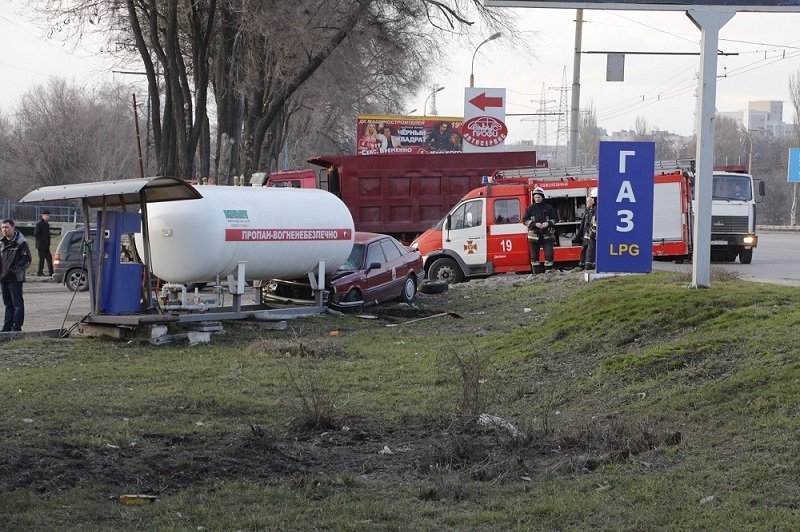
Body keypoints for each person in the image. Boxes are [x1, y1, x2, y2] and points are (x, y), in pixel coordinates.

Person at [0, 218, 32, 332]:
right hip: (3, 278)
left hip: (15, 278)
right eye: (3, 228)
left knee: (17, 304)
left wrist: (15, 269)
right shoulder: (1, 243)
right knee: (7, 304)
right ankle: (7, 327)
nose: (5, 230)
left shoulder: (21, 242)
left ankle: (16, 327)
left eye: (7, 227)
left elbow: (26, 259)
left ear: (13, 228)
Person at [522, 187, 558, 273]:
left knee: (549, 255)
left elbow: (555, 219)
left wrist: (548, 223)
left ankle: (549, 273)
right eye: (535, 197)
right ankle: (536, 274)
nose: (537, 199)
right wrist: (534, 224)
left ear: (542, 197)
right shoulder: (530, 208)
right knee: (534, 257)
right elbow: (524, 220)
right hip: (534, 236)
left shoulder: (549, 208)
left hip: (547, 235)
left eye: (538, 197)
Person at [574, 188, 598, 271]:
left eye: (589, 201)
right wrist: (578, 238)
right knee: (584, 250)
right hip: (587, 236)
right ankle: (582, 265)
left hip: (592, 236)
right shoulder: (588, 211)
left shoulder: (596, 210)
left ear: (594, 200)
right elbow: (582, 226)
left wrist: (593, 234)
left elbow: (595, 224)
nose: (587, 203)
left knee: (590, 252)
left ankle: (588, 266)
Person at [34, 210, 53, 277]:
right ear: (43, 216)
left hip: (46, 246)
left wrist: (48, 242)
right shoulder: (39, 224)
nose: (48, 217)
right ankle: (39, 272)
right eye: (46, 215)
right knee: (42, 259)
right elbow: (36, 234)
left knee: (49, 259)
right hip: (41, 246)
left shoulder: (47, 224)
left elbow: (47, 235)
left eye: (48, 216)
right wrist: (42, 241)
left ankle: (51, 272)